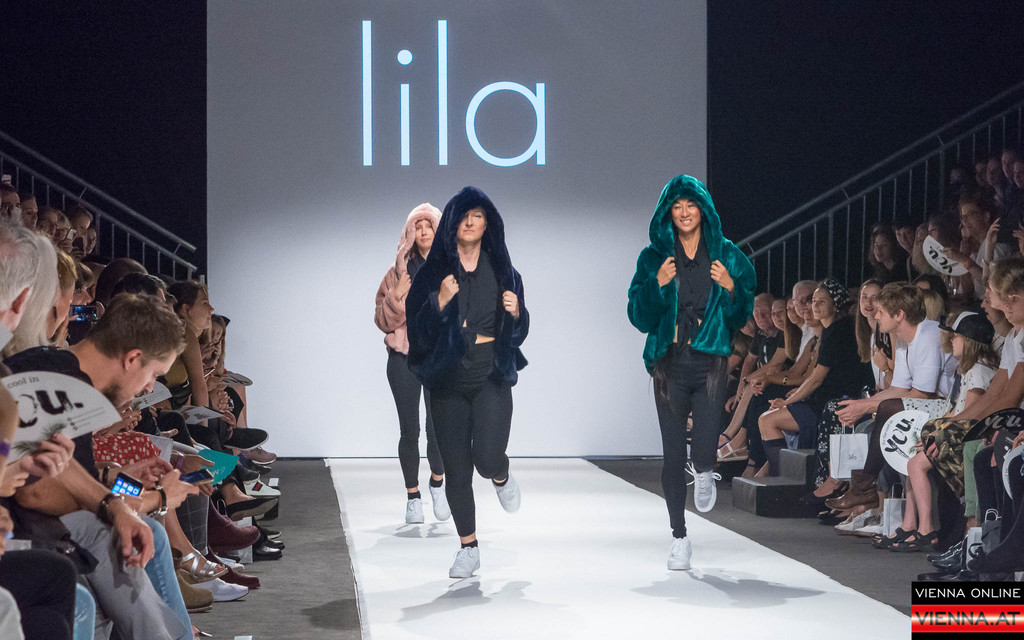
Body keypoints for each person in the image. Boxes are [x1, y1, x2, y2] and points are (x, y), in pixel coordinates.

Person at [627, 174, 755, 571]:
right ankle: (679, 537)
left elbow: (742, 313)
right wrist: (657, 284)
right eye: (677, 206)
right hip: (669, 365)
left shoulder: (727, 254)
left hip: (710, 363)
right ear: (667, 212)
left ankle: (704, 470)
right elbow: (637, 316)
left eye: (690, 205)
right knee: (671, 454)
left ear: (703, 210)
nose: (684, 213)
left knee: (704, 449)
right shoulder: (653, 258)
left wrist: (731, 287)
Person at [405, 186, 529, 579]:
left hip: (491, 373)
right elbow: (416, 332)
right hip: (447, 378)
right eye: (464, 216)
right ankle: (468, 548)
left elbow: (520, 331)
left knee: (487, 458)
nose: (470, 222)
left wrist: (519, 313)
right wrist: (438, 302)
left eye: (478, 215)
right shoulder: (433, 274)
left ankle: (501, 474)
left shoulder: (504, 270)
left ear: (488, 223)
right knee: (457, 470)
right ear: (453, 223)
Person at [374, 204, 449, 524]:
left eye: (429, 226)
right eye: (417, 227)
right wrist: (397, 297)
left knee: (439, 428)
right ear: (409, 233)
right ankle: (412, 497)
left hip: (438, 358)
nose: (423, 231)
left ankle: (437, 485)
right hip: (403, 358)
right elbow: (381, 320)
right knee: (410, 430)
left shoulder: (450, 270)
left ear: (438, 230)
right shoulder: (396, 274)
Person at [758, 279, 871, 476]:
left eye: (821, 302)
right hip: (824, 397)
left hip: (832, 402)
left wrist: (788, 401)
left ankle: (783, 479)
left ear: (835, 305)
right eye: (814, 301)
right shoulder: (830, 330)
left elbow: (816, 378)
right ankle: (781, 475)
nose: (815, 306)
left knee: (767, 421)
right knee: (766, 417)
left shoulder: (838, 330)